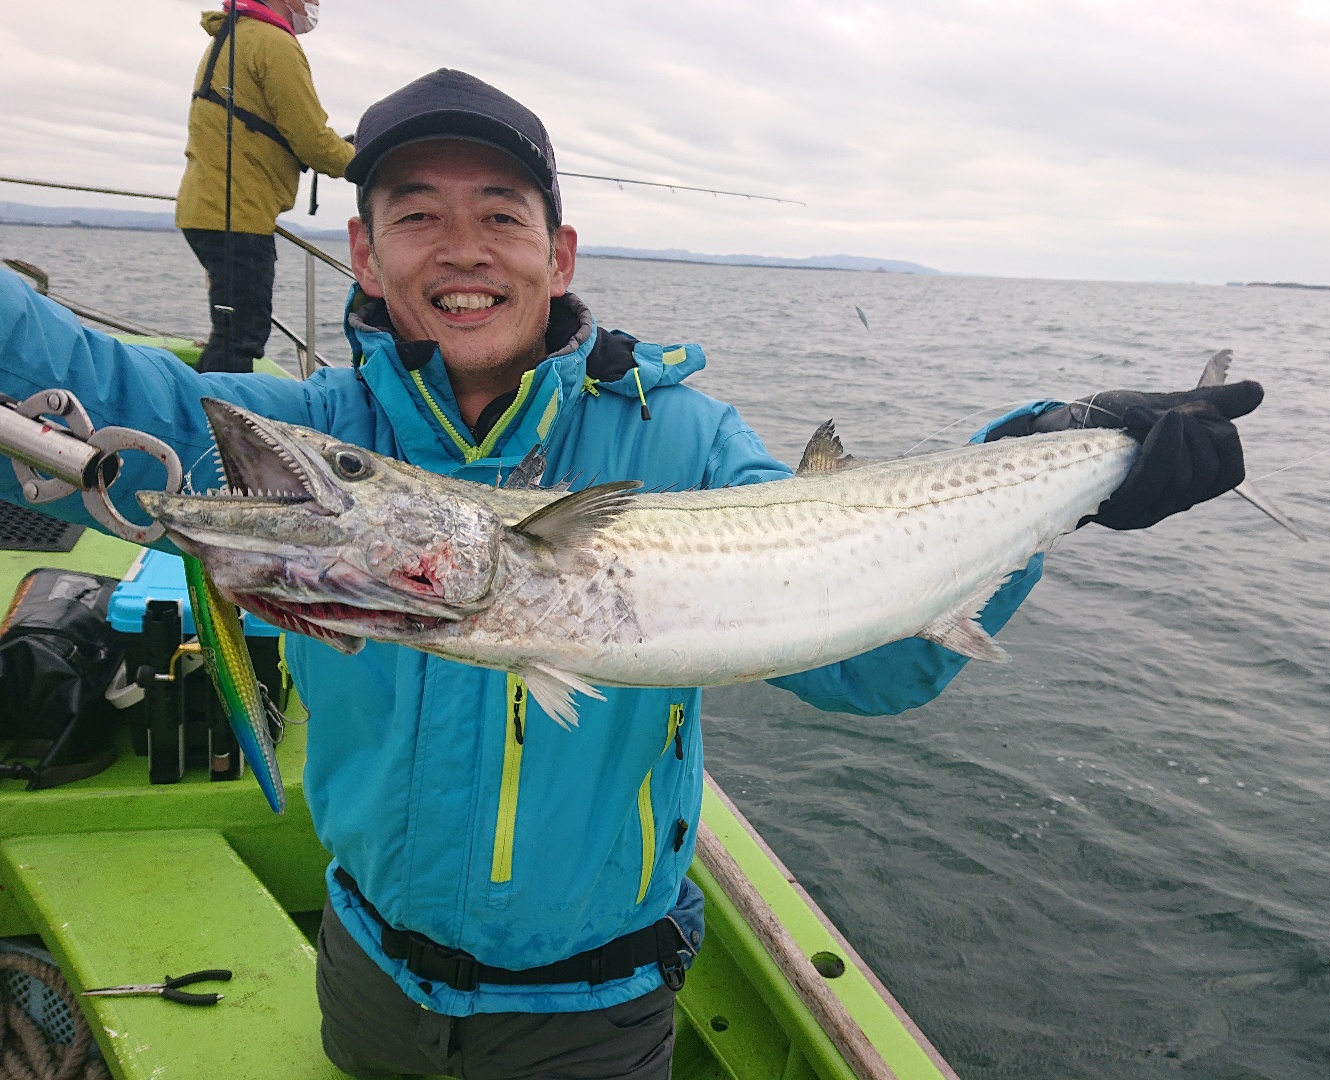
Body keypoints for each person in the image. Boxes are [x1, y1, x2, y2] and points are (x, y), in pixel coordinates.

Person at [0, 69, 1256, 1080]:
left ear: (562, 249)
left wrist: (1053, 456)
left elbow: (871, 659)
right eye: (416, 214)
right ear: (365, 258)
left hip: (594, 1015)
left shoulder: (685, 442)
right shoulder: (314, 426)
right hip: (368, 966)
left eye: (501, 212)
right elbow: (98, 394)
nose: (463, 246)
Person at [176, 0, 354, 373]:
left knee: (231, 333)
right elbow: (312, 140)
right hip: (237, 216)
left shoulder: (233, 35)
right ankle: (204, 428)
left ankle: (198, 417)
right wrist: (365, 161)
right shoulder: (274, 43)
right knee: (240, 341)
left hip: (210, 208)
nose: (315, 3)